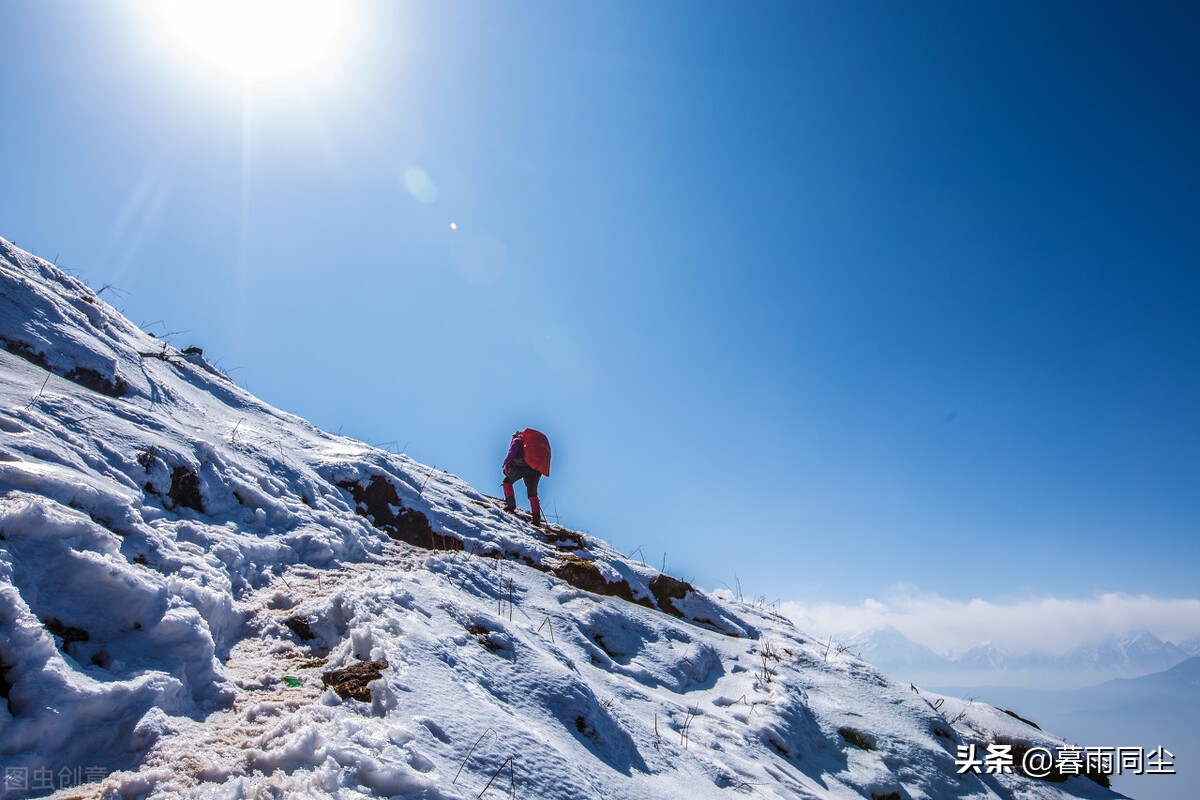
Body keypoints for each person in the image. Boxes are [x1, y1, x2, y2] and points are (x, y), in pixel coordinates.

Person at [502, 429, 549, 525]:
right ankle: (536, 518)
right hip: (534, 470)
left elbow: (512, 452)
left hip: (519, 467)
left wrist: (506, 463)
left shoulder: (518, 440)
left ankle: (511, 504)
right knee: (532, 494)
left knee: (507, 481)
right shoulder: (531, 446)